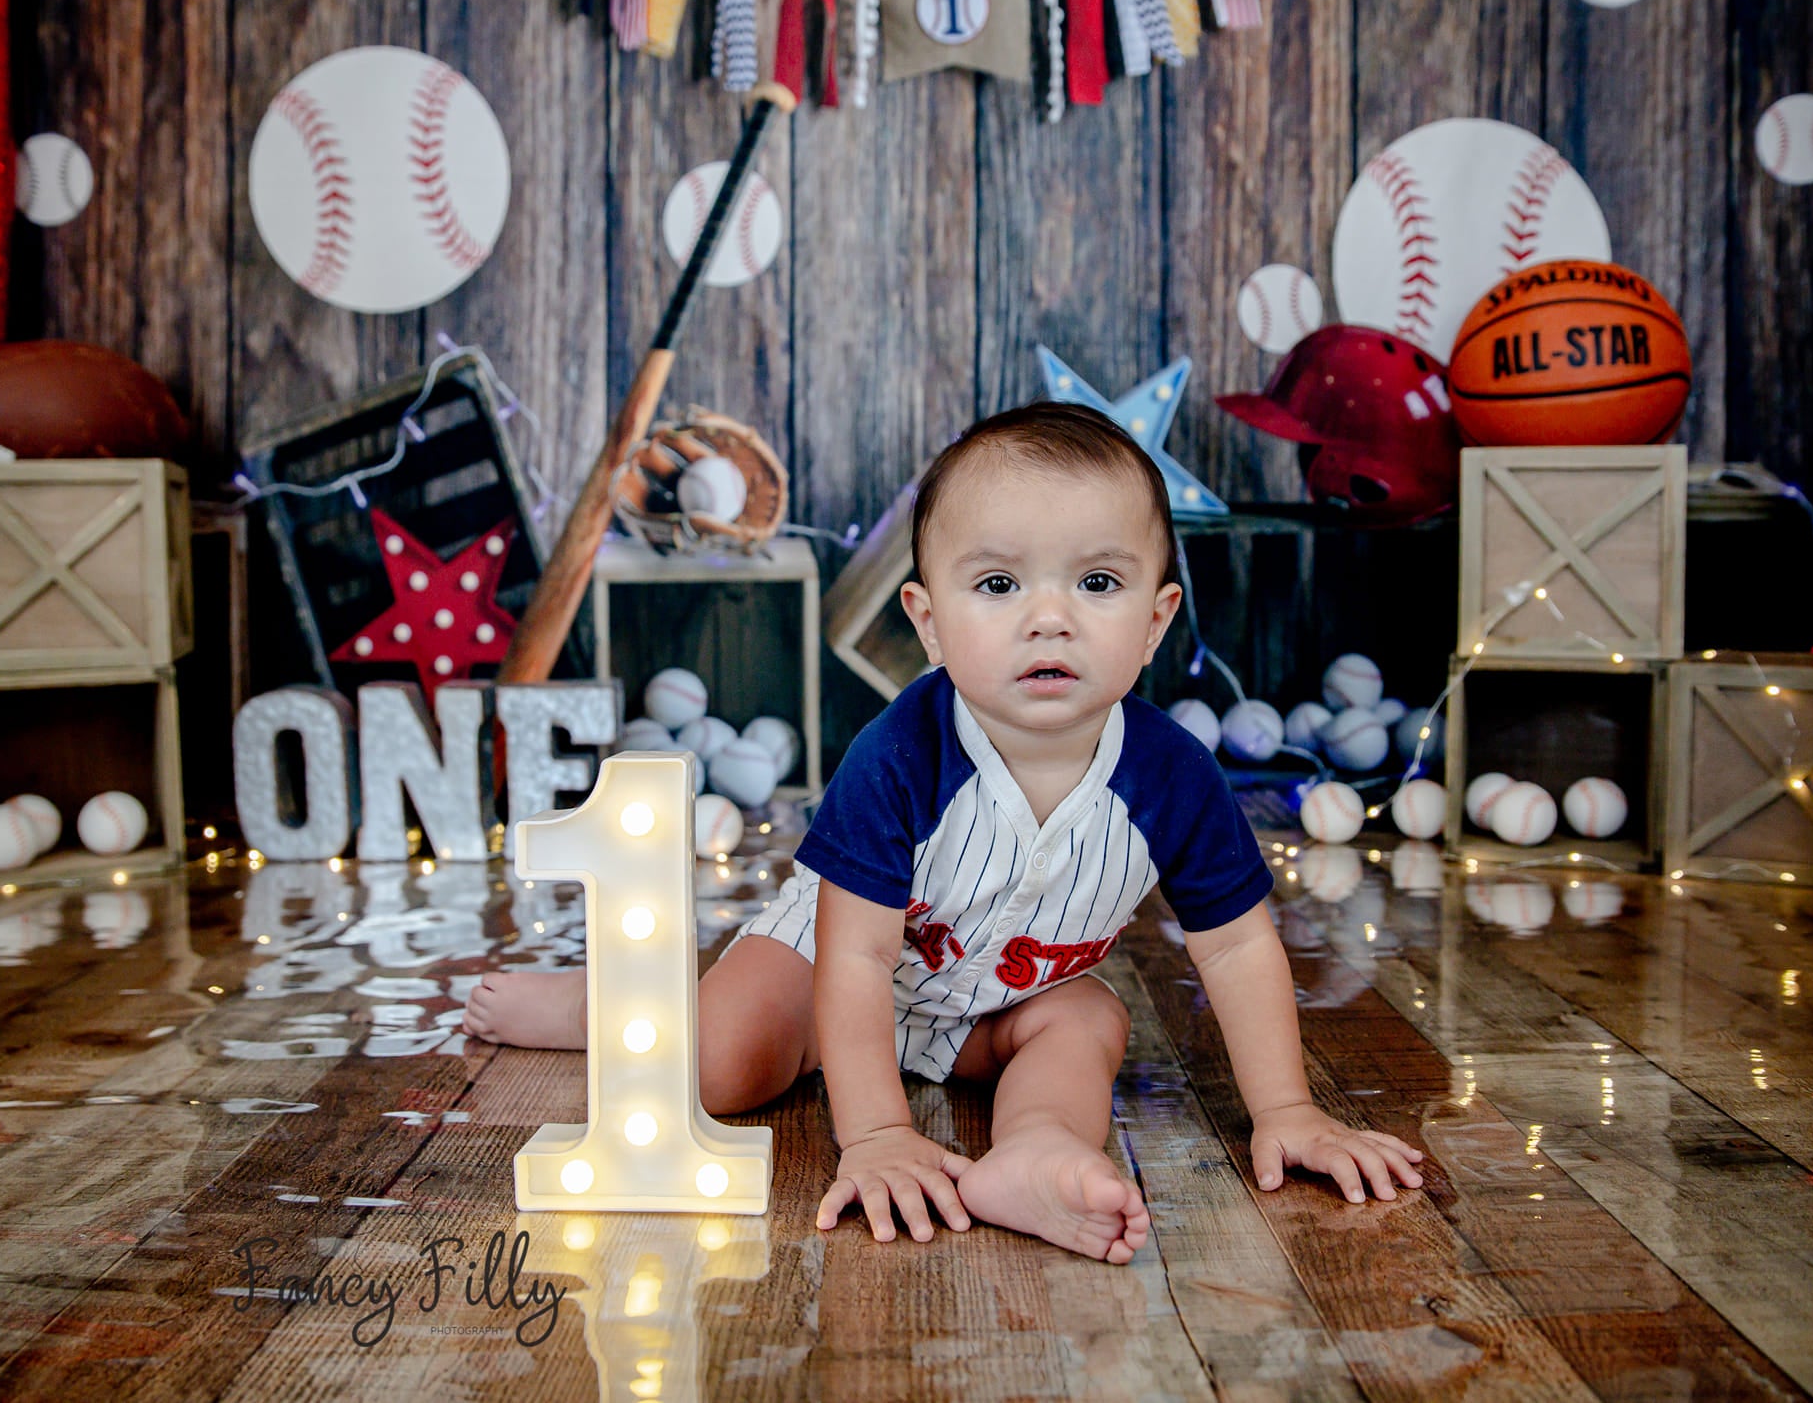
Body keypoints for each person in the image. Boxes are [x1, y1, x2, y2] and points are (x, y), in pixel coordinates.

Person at [467, 402, 1423, 1262]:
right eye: (1000, 585)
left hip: (998, 1004)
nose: (1049, 618)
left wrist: (1289, 1109)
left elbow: (1238, 948)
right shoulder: (899, 755)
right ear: (927, 621)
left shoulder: (1173, 775)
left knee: (1089, 1019)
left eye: (1096, 581)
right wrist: (876, 1131)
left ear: (1156, 619)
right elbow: (855, 958)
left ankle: (1038, 1145)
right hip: (832, 964)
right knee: (721, 1065)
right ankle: (606, 1007)